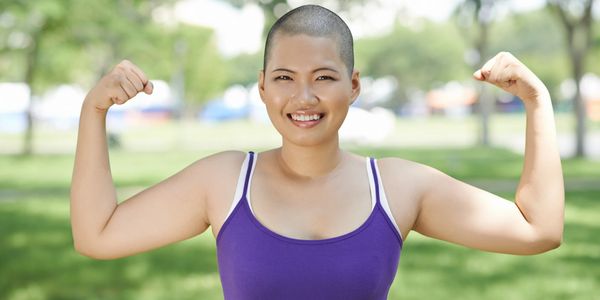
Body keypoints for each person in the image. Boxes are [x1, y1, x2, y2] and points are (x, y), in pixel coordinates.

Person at [70, 4, 564, 299]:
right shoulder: (222, 182)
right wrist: (93, 112)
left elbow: (537, 229)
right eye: (285, 79)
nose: (303, 98)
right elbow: (97, 235)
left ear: (353, 86)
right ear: (263, 88)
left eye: (323, 78)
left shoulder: (397, 187)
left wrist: (537, 101)